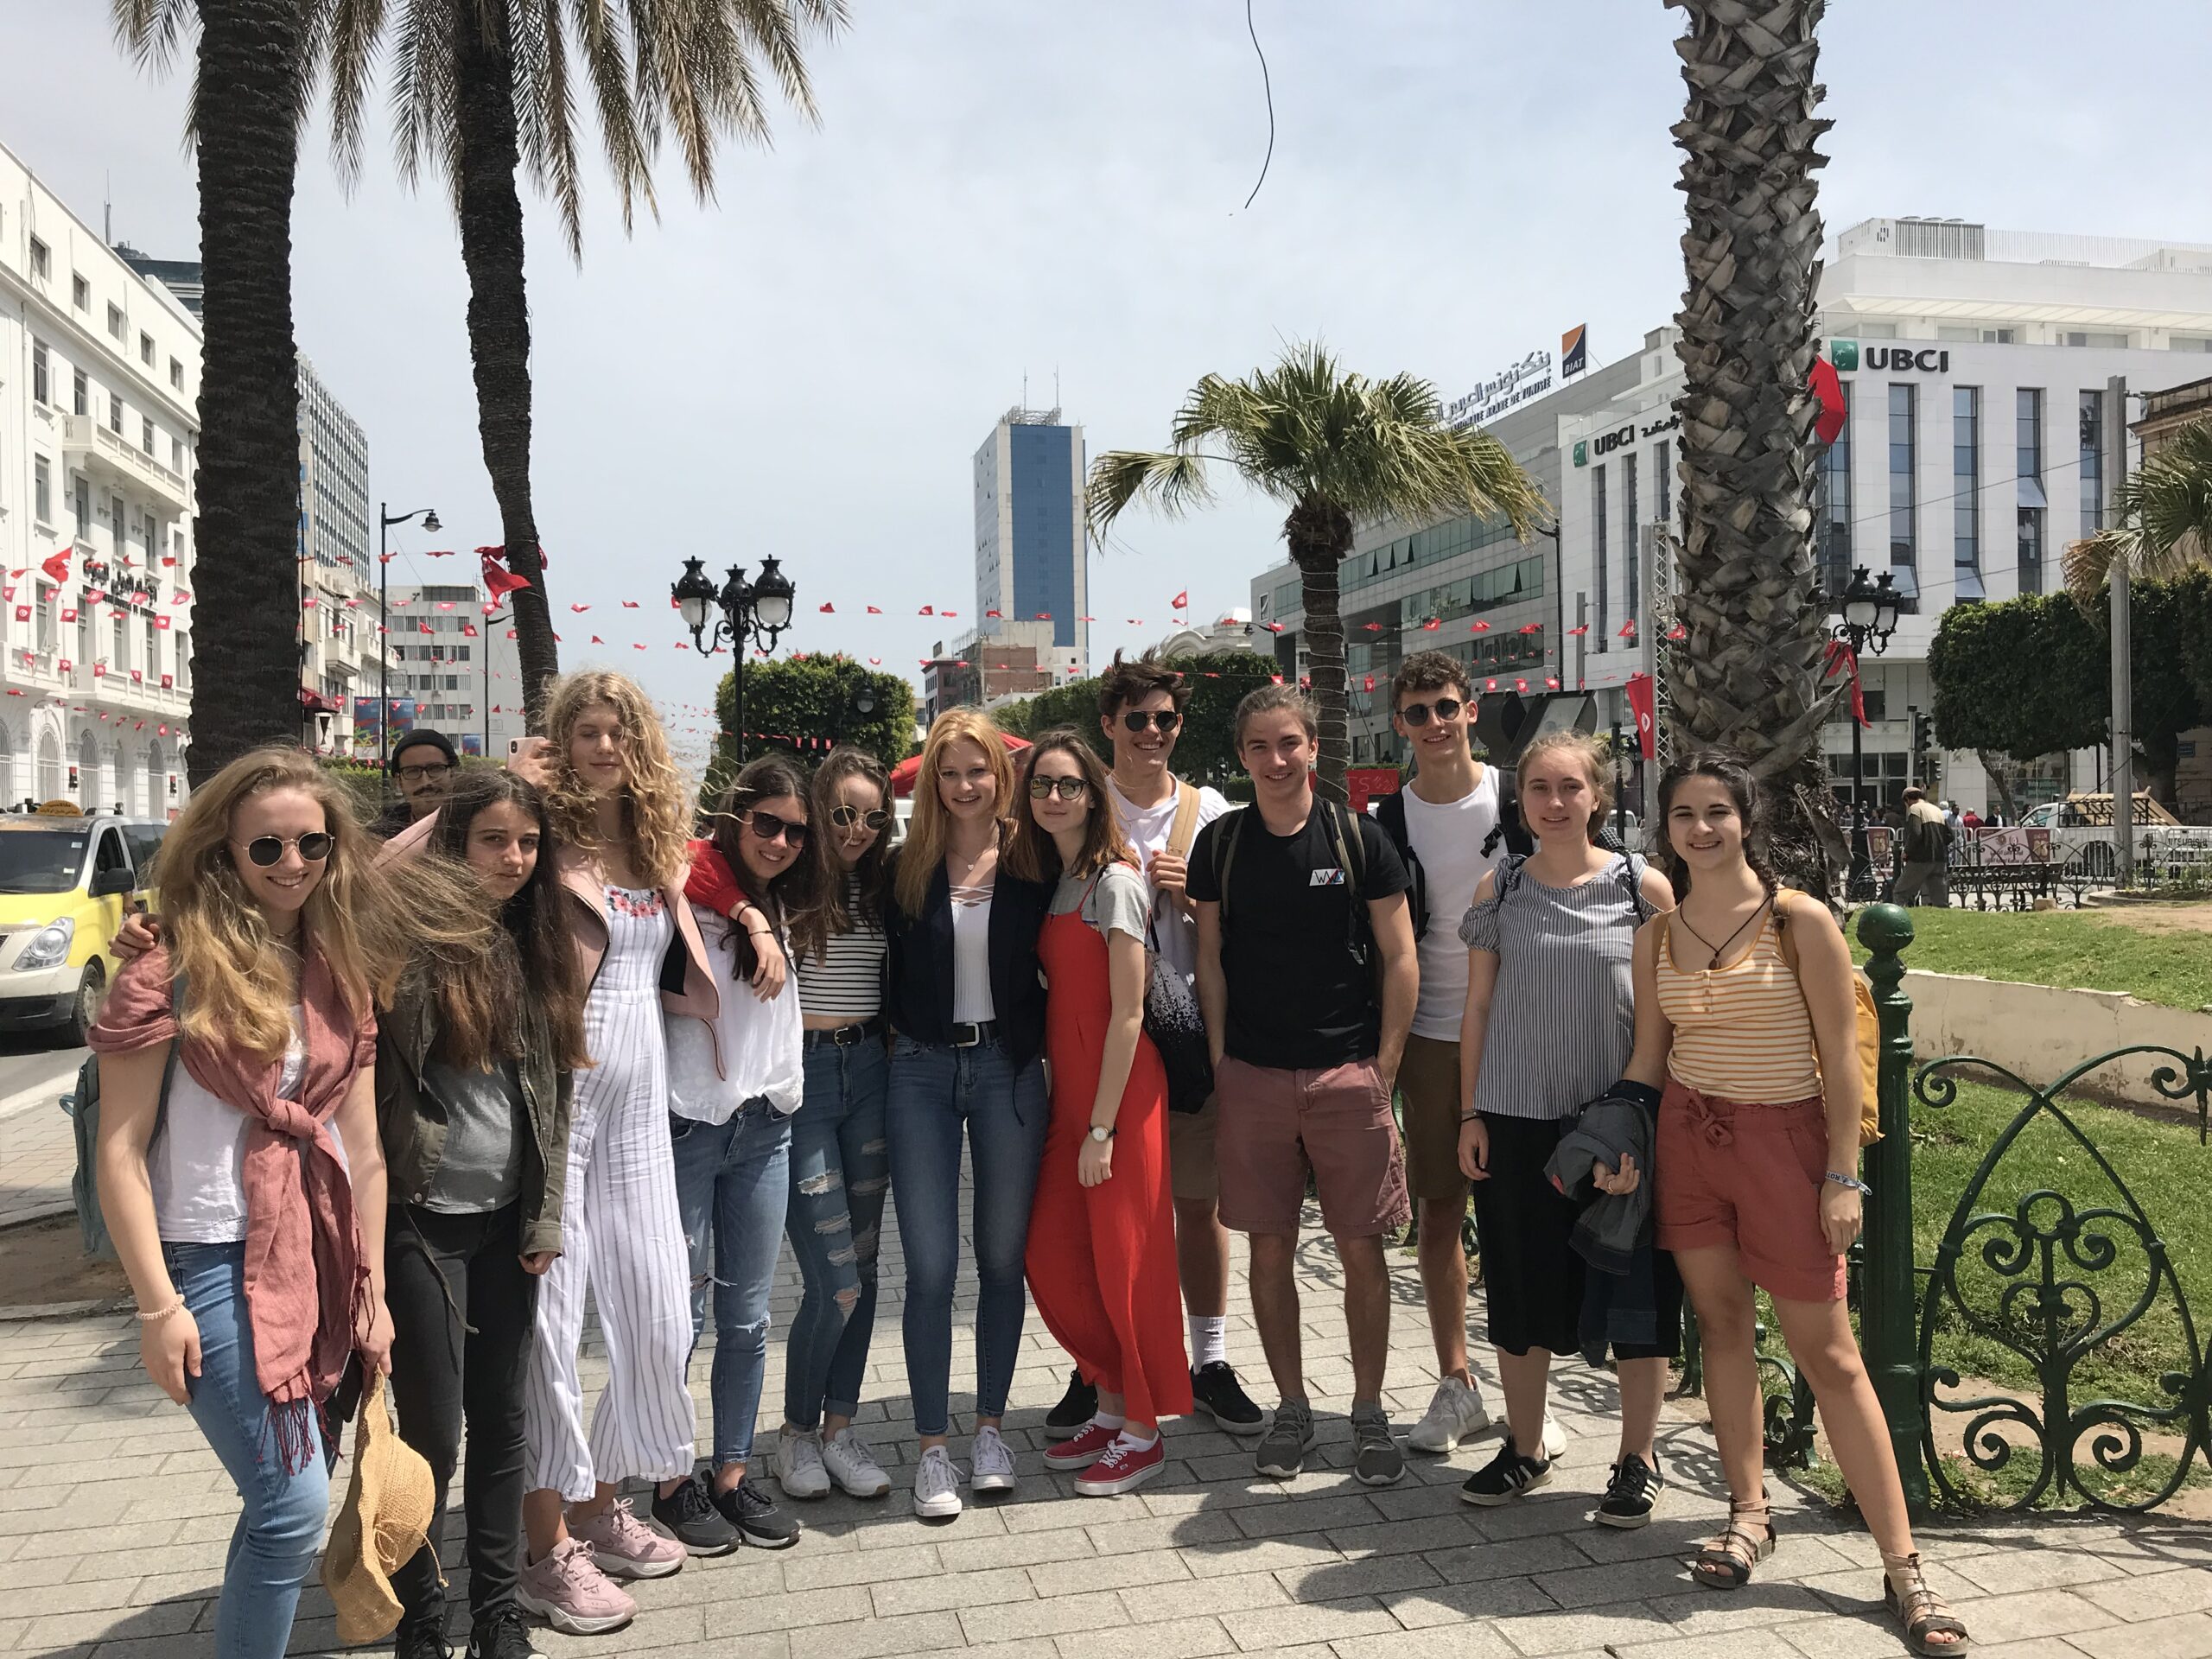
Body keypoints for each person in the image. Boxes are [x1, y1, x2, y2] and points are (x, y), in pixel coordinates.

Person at [89, 747, 470, 1659]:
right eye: (267, 847)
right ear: (223, 850)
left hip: (316, 1252)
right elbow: (119, 1150)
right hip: (206, 1256)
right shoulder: (167, 967)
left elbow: (364, 1151)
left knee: (277, 1506)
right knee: (292, 1503)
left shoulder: (341, 967)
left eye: (313, 843)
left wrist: (370, 1292)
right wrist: (156, 1308)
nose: (293, 863)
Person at [1624, 751, 1968, 1654]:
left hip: (1787, 1144)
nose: (1701, 828)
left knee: (1830, 1353)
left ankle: (1904, 1566)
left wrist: (1842, 1175)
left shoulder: (1798, 919)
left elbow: (1843, 1055)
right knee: (1721, 1326)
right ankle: (1748, 1512)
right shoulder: (1656, 936)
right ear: (1666, 827)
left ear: (1747, 820)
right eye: (1684, 814)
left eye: (1717, 812)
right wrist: (1619, 1137)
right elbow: (1649, 1058)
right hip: (1691, 1142)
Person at [511, 671, 736, 1632]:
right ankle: (542, 1549)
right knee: (549, 1330)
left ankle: (601, 1504)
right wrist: (507, 782)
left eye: (620, 732)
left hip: (641, 1110)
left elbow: (742, 874)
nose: (606, 747)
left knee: (658, 1314)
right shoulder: (532, 837)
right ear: (562, 743)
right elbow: (402, 871)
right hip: (561, 1105)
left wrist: (753, 919)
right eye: (587, 732)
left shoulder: (654, 845)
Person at [378, 769, 590, 1659]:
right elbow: (365, 878)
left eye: (528, 842)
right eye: (492, 839)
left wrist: (545, 1219)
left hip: (508, 1223)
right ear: (452, 842)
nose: (513, 858)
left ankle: (497, 1611)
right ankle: (420, 1617)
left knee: (504, 1423)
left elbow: (555, 1101)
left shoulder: (538, 942)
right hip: (421, 1219)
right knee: (431, 1431)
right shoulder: (408, 939)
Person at [1188, 684, 1419, 1486]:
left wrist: (1384, 1067)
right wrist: (1222, 1056)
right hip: (1252, 1075)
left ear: (1313, 747)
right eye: (1259, 745)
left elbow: (1401, 955)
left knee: (1362, 1247)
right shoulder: (1220, 844)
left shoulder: (1358, 839)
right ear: (1241, 755)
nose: (1276, 759)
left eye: (1289, 742)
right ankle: (1292, 1408)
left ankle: (1368, 1412)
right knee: (1268, 1247)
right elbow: (1209, 958)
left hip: (1347, 1072)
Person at [1454, 731, 1679, 1521]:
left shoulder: (1642, 888)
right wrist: (1469, 1111)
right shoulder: (1500, 889)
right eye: (1540, 789)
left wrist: (1641, 1122)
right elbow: (1478, 1005)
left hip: (1617, 1125)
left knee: (1634, 1292)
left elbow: (1667, 1012)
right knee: (1519, 1288)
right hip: (1516, 1119)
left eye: (1570, 788)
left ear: (1598, 797)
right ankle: (1525, 1447)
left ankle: (1637, 1457)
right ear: (1521, 802)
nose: (1555, 803)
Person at [1037, 652, 1260, 1441]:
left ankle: (1209, 1359)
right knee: (1103, 1218)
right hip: (1103, 1044)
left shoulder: (1212, 811)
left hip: (1184, 1034)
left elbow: (1246, 926)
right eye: (1137, 719)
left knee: (1197, 1205)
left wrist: (1191, 900)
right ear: (1109, 725)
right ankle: (1099, 1368)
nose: (1153, 732)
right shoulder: (1073, 799)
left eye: (1165, 719)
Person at [1010, 729, 1192, 1497]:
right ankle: (1113, 1403)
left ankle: (1144, 1431)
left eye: (1068, 785)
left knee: (1127, 1264)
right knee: (1055, 1254)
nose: (1053, 797)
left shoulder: (1116, 881)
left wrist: (1102, 1128)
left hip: (1119, 1098)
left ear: (1093, 795)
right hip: (1074, 1097)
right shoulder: (1056, 880)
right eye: (1041, 785)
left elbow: (1128, 1012)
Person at [884, 709, 1052, 1518]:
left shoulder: (1034, 858)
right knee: (929, 1268)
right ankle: (931, 1449)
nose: (963, 786)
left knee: (1001, 1260)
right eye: (947, 773)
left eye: (976, 770)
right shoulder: (903, 865)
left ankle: (990, 1430)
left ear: (1000, 773)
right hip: (918, 1069)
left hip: (1007, 1070)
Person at [665, 756, 817, 1552]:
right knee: (679, 1317)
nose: (781, 841)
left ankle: (730, 1473)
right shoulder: (693, 877)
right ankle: (669, 1478)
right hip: (690, 1123)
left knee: (749, 1318)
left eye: (796, 830)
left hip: (766, 1127)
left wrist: (763, 913)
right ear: (735, 817)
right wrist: (749, 918)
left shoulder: (795, 896)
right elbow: (678, 854)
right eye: (766, 823)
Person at [1370, 650, 1504, 1456]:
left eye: (1446, 707)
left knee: (1520, 1213)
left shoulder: (1518, 799)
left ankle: (1527, 1381)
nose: (1434, 723)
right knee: (1440, 1209)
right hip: (1428, 1034)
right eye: (1418, 713)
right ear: (1400, 724)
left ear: (1470, 710)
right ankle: (1458, 1383)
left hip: (1522, 1033)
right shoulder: (1386, 822)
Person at [772, 748, 897, 1501]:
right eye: (844, 812)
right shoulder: (782, 879)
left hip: (871, 1075)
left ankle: (838, 1430)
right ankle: (794, 1432)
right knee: (836, 1280)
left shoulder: (884, 885)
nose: (857, 828)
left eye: (873, 817)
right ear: (818, 808)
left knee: (867, 1269)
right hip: (806, 1081)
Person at [377, 729, 461, 837]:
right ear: (399, 781)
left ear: (453, 774)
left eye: (435, 769)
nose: (425, 781)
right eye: (413, 771)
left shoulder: (476, 828)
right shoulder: (379, 839)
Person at [1893, 785, 1953, 909]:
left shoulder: (1915, 809)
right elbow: (1950, 835)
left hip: (1920, 859)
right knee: (1940, 900)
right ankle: (1943, 918)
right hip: (1939, 859)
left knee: (1900, 891)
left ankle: (1897, 916)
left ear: (1907, 799)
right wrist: (1937, 843)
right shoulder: (1937, 810)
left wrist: (1906, 851)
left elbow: (1916, 833)